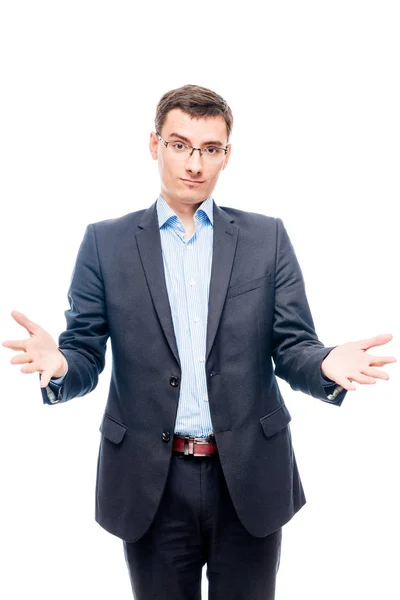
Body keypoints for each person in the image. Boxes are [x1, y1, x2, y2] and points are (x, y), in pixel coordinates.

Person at [3, 84, 396, 600]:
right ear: (154, 145)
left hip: (250, 475)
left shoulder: (266, 238)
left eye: (210, 149)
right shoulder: (105, 242)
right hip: (151, 480)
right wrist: (57, 365)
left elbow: (293, 344)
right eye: (180, 144)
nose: (195, 163)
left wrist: (323, 364)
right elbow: (82, 354)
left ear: (226, 155)